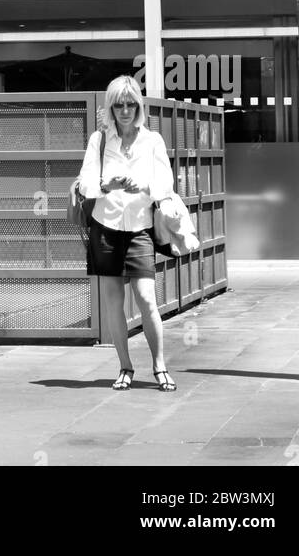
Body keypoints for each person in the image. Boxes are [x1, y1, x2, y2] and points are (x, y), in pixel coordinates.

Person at [78, 74, 177, 391]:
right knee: (113, 301)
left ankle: (159, 365)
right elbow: (86, 184)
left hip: (139, 229)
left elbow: (166, 185)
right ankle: (125, 366)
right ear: (111, 107)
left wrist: (142, 185)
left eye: (131, 104)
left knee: (147, 299)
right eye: (118, 105)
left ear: (139, 106)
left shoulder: (153, 140)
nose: (124, 110)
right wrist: (108, 185)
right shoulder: (100, 140)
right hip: (105, 227)